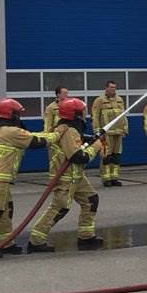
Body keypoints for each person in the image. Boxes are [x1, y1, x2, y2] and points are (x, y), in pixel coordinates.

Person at [0, 99, 59, 256]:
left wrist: (49, 132)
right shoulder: (10, 132)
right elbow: (36, 141)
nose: (20, 117)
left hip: (1, 177)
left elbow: (29, 135)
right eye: (18, 114)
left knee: (5, 210)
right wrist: (58, 134)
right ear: (11, 114)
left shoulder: (1, 130)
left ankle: (6, 242)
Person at [28, 98, 104, 252]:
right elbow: (76, 156)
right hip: (66, 177)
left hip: (76, 176)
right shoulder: (69, 131)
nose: (85, 114)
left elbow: (76, 141)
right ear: (75, 115)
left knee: (91, 200)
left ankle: (86, 236)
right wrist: (95, 146)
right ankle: (36, 240)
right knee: (59, 207)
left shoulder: (70, 128)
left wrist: (88, 139)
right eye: (82, 112)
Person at [91, 80, 127, 187]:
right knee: (107, 156)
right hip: (106, 133)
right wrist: (97, 131)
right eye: (111, 87)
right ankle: (106, 178)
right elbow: (95, 117)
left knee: (116, 156)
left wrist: (125, 128)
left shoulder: (119, 100)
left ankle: (114, 177)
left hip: (118, 132)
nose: (113, 89)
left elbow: (123, 116)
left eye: (115, 87)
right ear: (106, 88)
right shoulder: (99, 101)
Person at [42, 85, 70, 175]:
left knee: (68, 157)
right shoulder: (51, 107)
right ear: (58, 94)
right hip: (56, 137)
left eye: (67, 93)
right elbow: (47, 123)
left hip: (68, 136)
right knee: (55, 159)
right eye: (64, 93)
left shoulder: (71, 105)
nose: (67, 95)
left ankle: (66, 176)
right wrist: (47, 137)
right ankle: (54, 178)